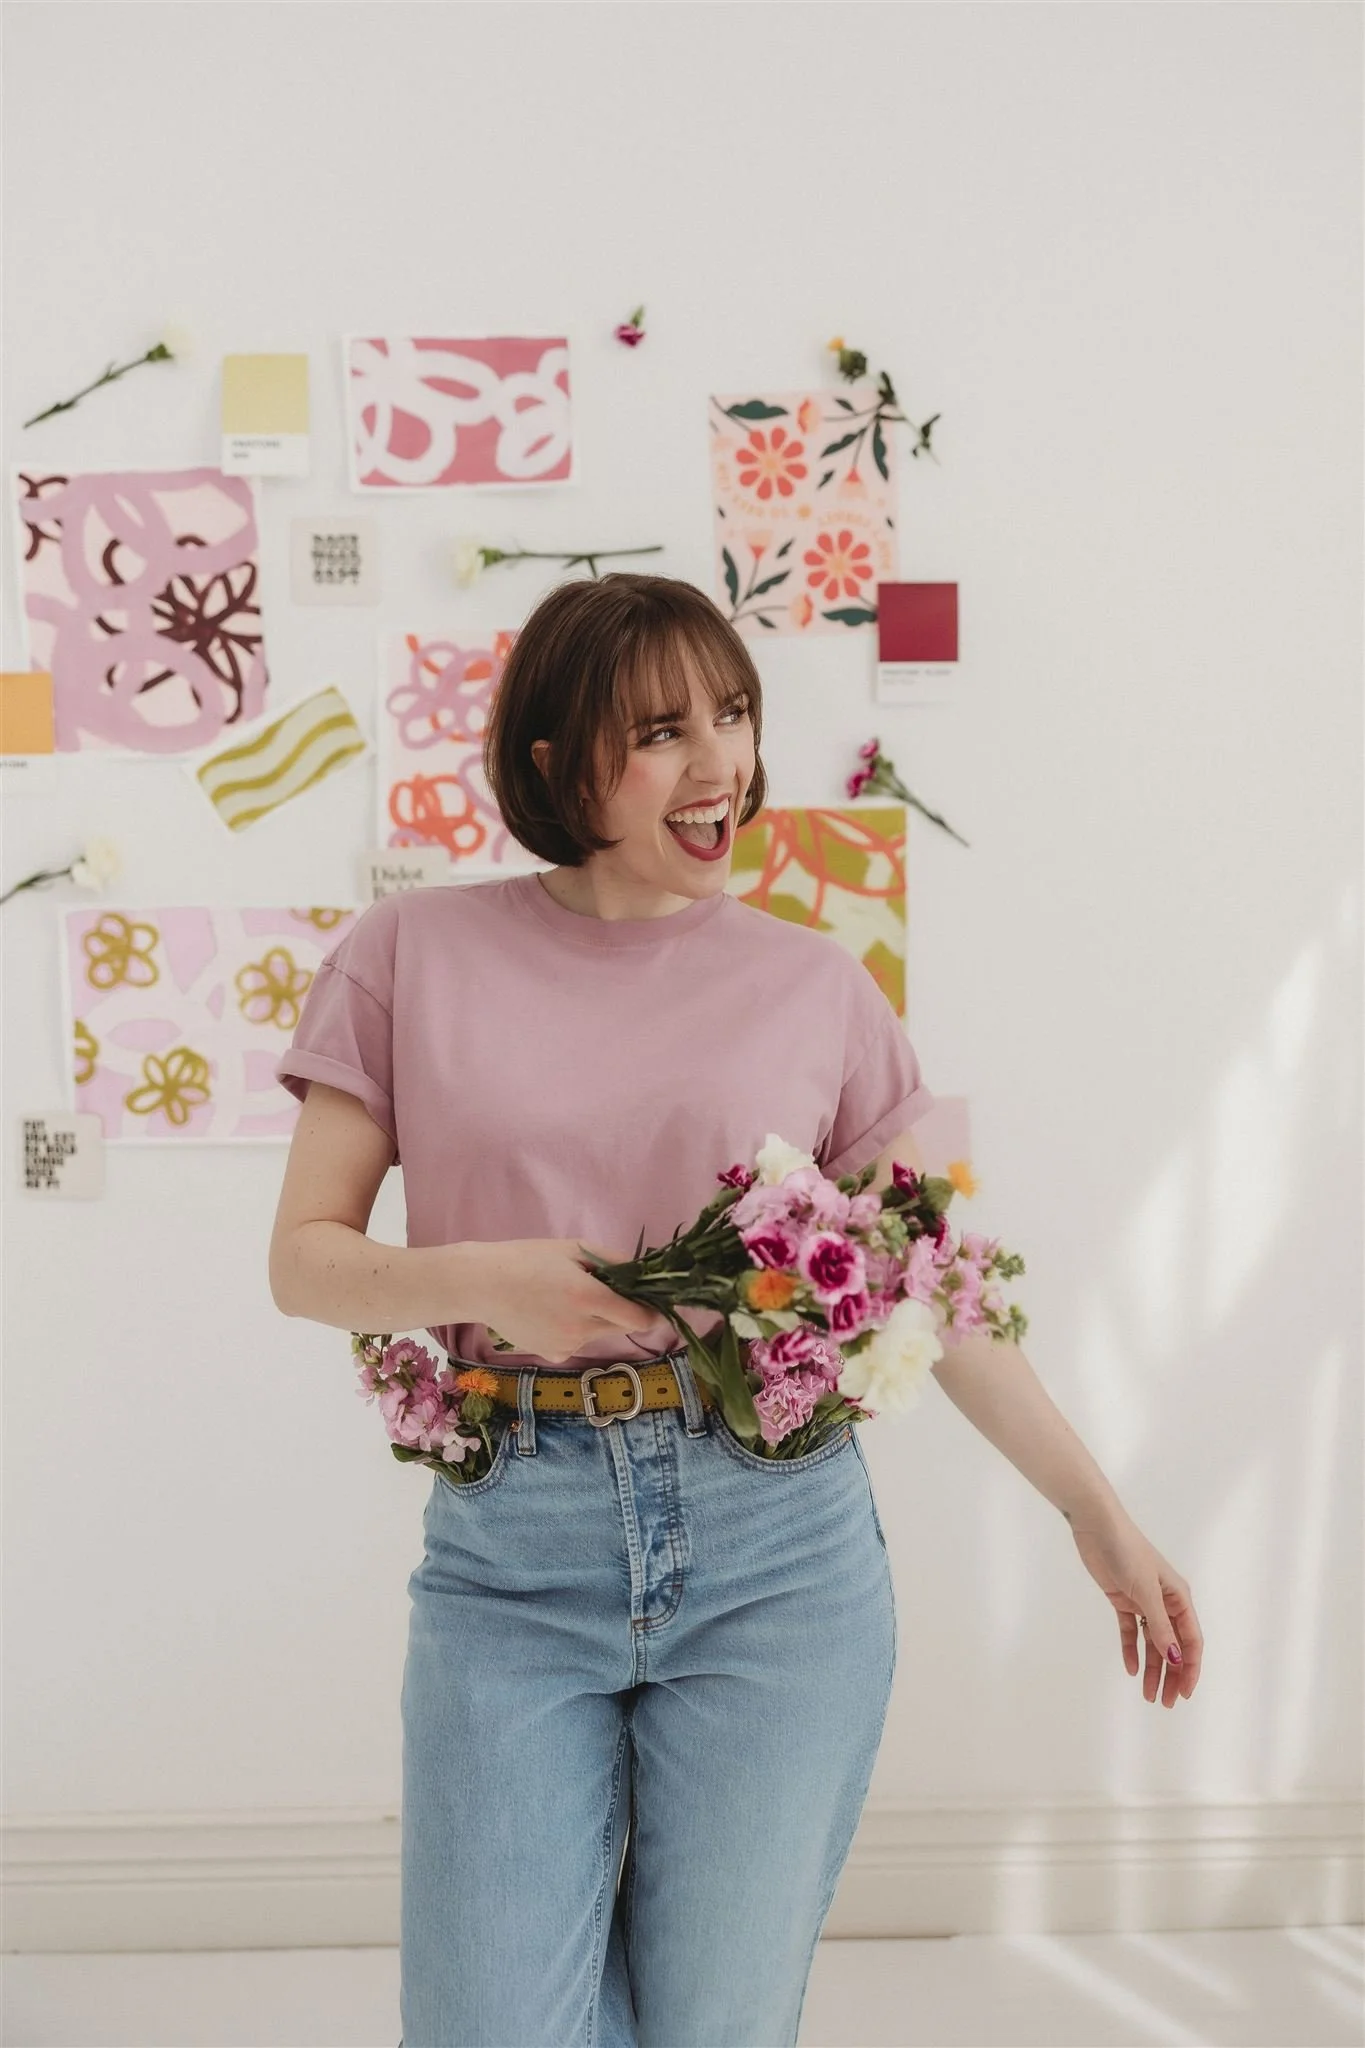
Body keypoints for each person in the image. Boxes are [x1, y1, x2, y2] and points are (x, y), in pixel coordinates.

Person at [268, 572, 1202, 2048]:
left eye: (734, 716)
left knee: (717, 2025)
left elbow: (934, 1294)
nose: (719, 764)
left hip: (779, 1548)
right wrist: (479, 1281)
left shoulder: (819, 988)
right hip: (515, 1544)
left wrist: (1096, 1513)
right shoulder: (409, 959)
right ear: (554, 763)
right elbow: (304, 1260)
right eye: (660, 731)